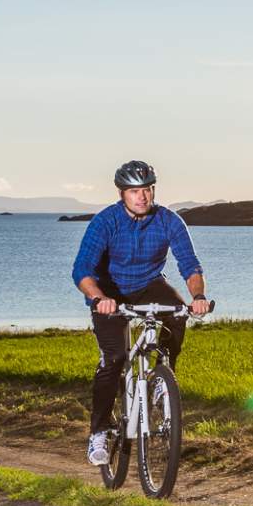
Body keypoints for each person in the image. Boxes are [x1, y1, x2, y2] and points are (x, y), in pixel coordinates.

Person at [71, 159, 214, 466]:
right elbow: (82, 270)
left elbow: (189, 265)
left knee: (177, 313)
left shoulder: (169, 220)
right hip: (108, 292)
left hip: (149, 284)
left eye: (147, 190)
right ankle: (100, 430)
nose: (142, 197)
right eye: (135, 191)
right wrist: (98, 298)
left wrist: (198, 296)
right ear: (122, 193)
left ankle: (163, 378)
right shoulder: (105, 222)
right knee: (115, 358)